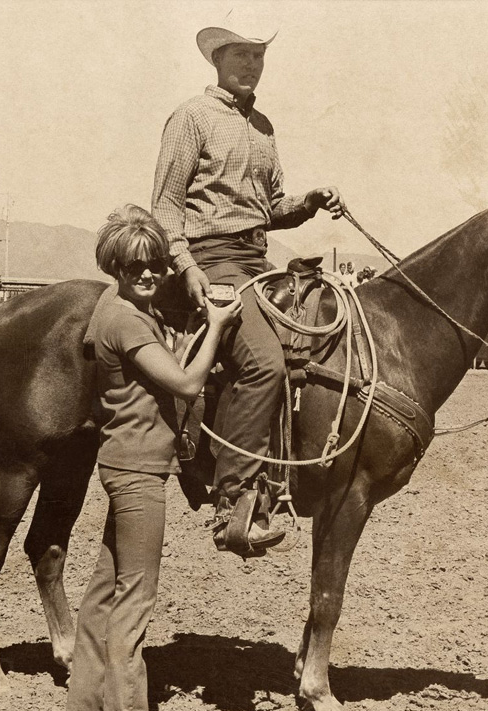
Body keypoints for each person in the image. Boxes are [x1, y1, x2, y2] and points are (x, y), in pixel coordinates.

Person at [151, 14, 344, 553]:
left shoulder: (263, 127)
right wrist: (188, 269)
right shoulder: (190, 118)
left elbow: (269, 208)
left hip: (259, 260)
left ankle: (284, 482)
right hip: (211, 259)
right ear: (217, 59)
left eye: (259, 56)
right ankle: (232, 500)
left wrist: (307, 203)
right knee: (264, 362)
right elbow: (165, 207)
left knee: (314, 350)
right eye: (242, 55)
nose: (252, 65)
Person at [65, 205, 242, 711]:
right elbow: (188, 384)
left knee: (103, 589)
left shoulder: (107, 309)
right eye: (134, 266)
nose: (147, 276)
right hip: (140, 470)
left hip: (121, 461)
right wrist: (214, 325)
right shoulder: (129, 320)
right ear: (115, 265)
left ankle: (85, 704)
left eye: (156, 266)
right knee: (135, 598)